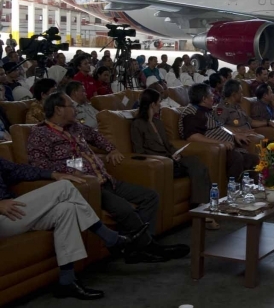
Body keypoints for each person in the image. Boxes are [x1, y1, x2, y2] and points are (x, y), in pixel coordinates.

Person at [27, 92, 188, 264]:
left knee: (150, 196)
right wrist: (66, 171)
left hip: (106, 179)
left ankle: (136, 248)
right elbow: (39, 166)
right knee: (125, 209)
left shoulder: (75, 127)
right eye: (71, 106)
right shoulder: (40, 134)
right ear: (58, 110)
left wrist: (112, 149)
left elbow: (96, 136)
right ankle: (150, 247)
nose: (75, 109)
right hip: (88, 186)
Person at [0, 164, 141, 300]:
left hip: (13, 213)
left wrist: (53, 174)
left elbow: (18, 170)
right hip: (2, 219)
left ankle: (66, 281)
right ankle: (111, 238)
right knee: (64, 186)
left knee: (66, 209)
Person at [131, 89, 215, 223]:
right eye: (159, 102)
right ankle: (202, 209)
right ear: (152, 104)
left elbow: (168, 144)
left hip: (171, 158)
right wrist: (162, 158)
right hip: (160, 163)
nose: (161, 105)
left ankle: (202, 207)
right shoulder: (137, 124)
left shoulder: (158, 123)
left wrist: (177, 153)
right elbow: (139, 151)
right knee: (196, 165)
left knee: (197, 163)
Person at [179, 83, 259, 181]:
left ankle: (252, 191)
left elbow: (219, 127)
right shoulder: (192, 113)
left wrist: (234, 134)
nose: (213, 97)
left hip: (228, 146)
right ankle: (234, 191)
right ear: (204, 99)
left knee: (253, 159)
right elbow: (192, 136)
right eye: (211, 96)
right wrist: (221, 143)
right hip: (216, 148)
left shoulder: (207, 110)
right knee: (237, 158)